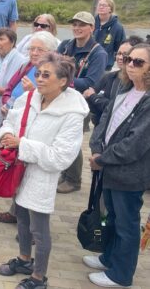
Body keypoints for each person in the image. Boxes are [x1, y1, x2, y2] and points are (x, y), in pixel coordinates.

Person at [0, 53, 88, 289]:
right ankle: (24, 260)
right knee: (22, 219)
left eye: (46, 75)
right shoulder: (28, 98)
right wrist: (5, 135)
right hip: (18, 171)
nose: (39, 79)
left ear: (63, 80)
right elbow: (11, 122)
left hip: (42, 177)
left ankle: (39, 277)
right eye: (38, 74)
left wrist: (22, 145)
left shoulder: (72, 113)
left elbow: (61, 157)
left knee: (39, 227)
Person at [86, 43, 150, 288]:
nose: (130, 65)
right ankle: (108, 258)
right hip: (109, 168)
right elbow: (104, 121)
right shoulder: (125, 89)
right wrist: (96, 149)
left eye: (138, 62)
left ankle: (121, 275)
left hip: (128, 174)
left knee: (126, 224)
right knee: (109, 217)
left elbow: (135, 143)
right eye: (128, 59)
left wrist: (102, 159)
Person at [0, 31, 59, 225]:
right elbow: (9, 87)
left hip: (39, 132)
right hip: (17, 122)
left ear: (51, 51)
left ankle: (33, 225)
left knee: (33, 179)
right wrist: (7, 103)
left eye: (40, 49)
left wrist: (34, 91)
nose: (34, 52)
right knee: (18, 172)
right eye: (32, 48)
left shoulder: (57, 71)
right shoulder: (26, 66)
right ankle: (16, 212)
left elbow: (57, 100)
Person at [56, 11, 108, 194]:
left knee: (72, 140)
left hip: (80, 104)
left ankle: (73, 179)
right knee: (60, 137)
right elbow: (52, 66)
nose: (77, 28)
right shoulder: (65, 45)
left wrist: (62, 80)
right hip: (60, 99)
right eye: (75, 24)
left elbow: (91, 82)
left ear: (92, 28)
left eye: (82, 24)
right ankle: (64, 174)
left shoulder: (98, 53)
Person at [0, 28, 27, 156]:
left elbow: (21, 87)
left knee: (3, 144)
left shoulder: (22, 61)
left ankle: (1, 174)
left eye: (1, 39)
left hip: (7, 108)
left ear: (12, 42)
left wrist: (2, 91)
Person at [83, 36, 144, 125]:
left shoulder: (139, 83)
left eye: (125, 54)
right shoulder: (109, 77)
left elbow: (120, 109)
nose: (120, 57)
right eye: (118, 53)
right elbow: (88, 96)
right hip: (101, 127)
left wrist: (95, 98)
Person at [93, 0, 126, 70]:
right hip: (88, 63)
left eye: (104, 5)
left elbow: (121, 47)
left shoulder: (117, 27)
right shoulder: (91, 23)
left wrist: (111, 59)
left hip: (105, 66)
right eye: (99, 5)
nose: (101, 7)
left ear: (110, 9)